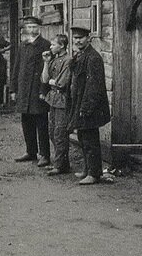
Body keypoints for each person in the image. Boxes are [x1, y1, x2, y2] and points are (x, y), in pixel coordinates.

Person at [67, 25, 112, 184]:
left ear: (89, 38)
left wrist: (86, 108)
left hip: (90, 106)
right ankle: (88, 169)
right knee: (82, 137)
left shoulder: (93, 57)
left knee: (90, 140)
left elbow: (94, 86)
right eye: (75, 38)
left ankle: (94, 174)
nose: (77, 41)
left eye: (81, 38)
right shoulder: (80, 55)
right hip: (81, 103)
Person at [12, 17, 51, 167]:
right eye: (29, 26)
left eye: (34, 26)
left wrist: (43, 90)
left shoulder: (45, 44)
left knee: (41, 123)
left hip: (37, 90)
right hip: (23, 90)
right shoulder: (23, 45)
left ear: (39, 28)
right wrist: (13, 89)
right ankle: (30, 151)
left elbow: (48, 70)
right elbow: (16, 67)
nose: (32, 29)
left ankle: (45, 155)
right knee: (26, 121)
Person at [41, 33, 73, 176]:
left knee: (60, 133)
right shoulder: (54, 60)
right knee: (52, 132)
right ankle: (60, 163)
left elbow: (61, 83)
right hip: (53, 99)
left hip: (62, 101)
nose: (50, 47)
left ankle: (60, 165)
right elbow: (45, 79)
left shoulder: (68, 60)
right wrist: (46, 62)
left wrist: (53, 82)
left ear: (61, 46)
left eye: (53, 44)